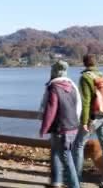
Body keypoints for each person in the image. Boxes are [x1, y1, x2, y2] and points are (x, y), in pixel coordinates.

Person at [73, 54, 103, 188]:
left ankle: (75, 180)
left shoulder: (85, 77)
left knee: (78, 145)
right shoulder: (102, 76)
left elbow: (85, 102)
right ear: (94, 63)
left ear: (84, 63)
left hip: (93, 117)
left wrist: (84, 121)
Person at [39, 60, 82, 188]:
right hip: (72, 127)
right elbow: (78, 107)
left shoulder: (54, 87)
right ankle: (56, 182)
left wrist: (44, 128)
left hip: (60, 129)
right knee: (56, 152)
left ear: (53, 72)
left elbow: (51, 110)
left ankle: (74, 186)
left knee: (66, 158)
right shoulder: (72, 87)